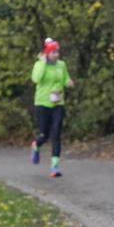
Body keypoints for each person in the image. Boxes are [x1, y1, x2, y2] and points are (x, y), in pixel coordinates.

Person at [30, 38, 74, 177]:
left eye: (57, 52)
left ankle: (54, 167)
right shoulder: (39, 65)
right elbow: (36, 79)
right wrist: (43, 63)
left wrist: (69, 82)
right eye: (54, 52)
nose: (57, 54)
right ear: (47, 53)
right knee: (44, 134)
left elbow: (65, 78)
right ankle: (36, 145)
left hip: (57, 103)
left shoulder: (61, 65)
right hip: (42, 103)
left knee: (56, 133)